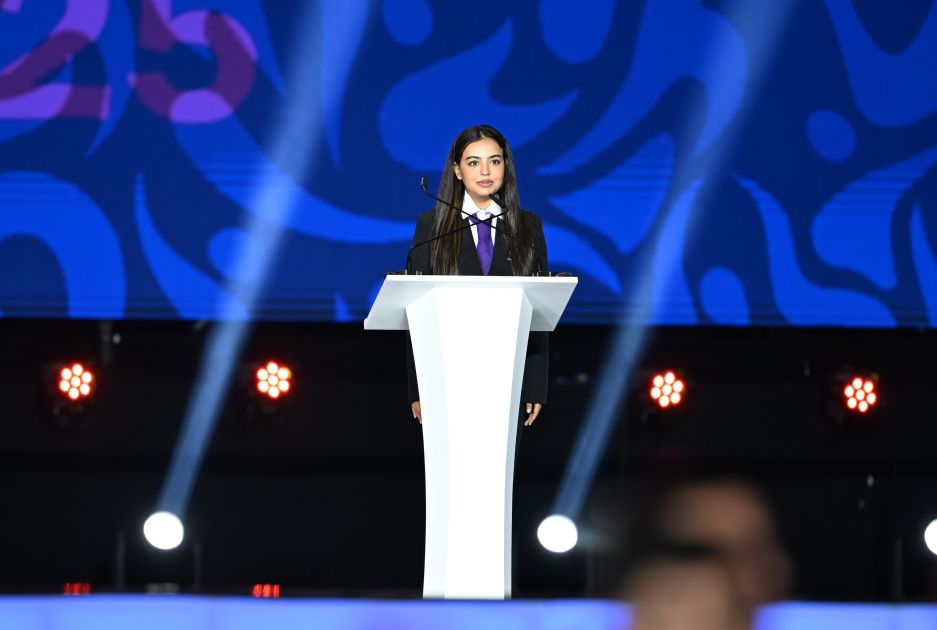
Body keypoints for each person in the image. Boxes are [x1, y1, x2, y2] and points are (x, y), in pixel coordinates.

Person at [406, 124, 549, 427]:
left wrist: (535, 384)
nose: (486, 171)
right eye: (473, 162)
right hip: (445, 374)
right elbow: (415, 309)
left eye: (494, 161)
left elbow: (539, 309)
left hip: (510, 376)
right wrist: (418, 387)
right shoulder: (431, 227)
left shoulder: (528, 227)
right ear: (457, 170)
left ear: (505, 167)